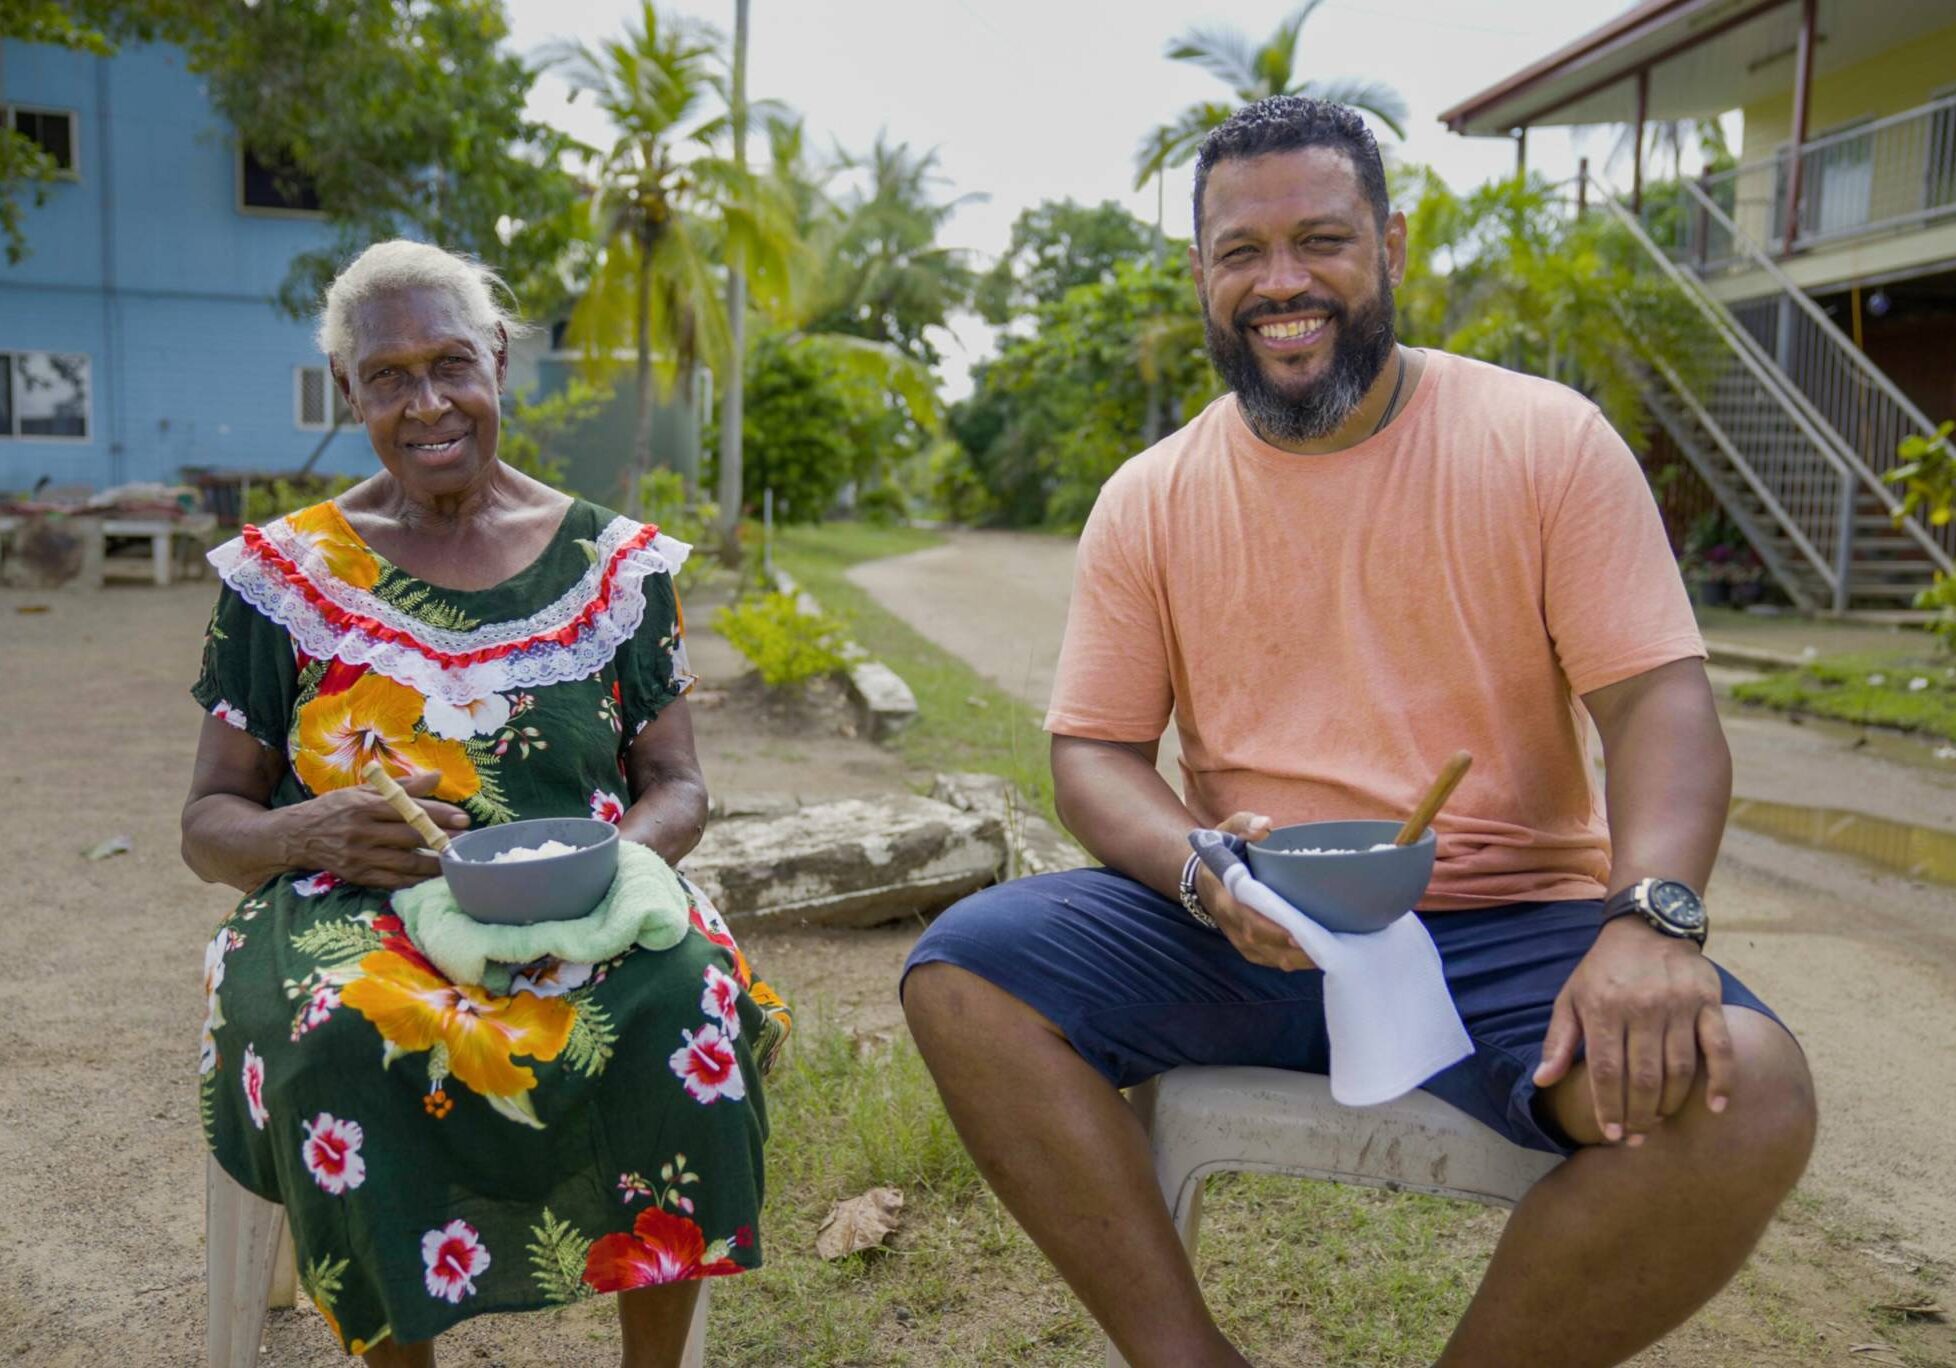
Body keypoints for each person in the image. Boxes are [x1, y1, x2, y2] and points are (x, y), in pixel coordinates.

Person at [901, 97, 1816, 1368]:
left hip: (1512, 931)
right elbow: (1095, 755)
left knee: (1747, 1087)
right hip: (1248, 934)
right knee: (966, 971)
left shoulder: (1543, 442)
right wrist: (1201, 869)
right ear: (1201, 273)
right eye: (1242, 253)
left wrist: (1647, 916)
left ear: (1392, 244)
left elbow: (1657, 704)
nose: (1283, 284)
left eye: (1321, 240)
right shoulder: (1150, 497)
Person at [181, 240, 788, 1367]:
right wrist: (305, 829)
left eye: (451, 364)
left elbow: (679, 786)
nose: (427, 405)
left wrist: (606, 864)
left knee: (686, 995)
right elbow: (209, 822)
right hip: (347, 908)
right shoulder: (285, 576)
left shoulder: (617, 566)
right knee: (344, 1033)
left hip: (584, 895)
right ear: (351, 394)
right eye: (387, 379)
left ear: (500, 361)